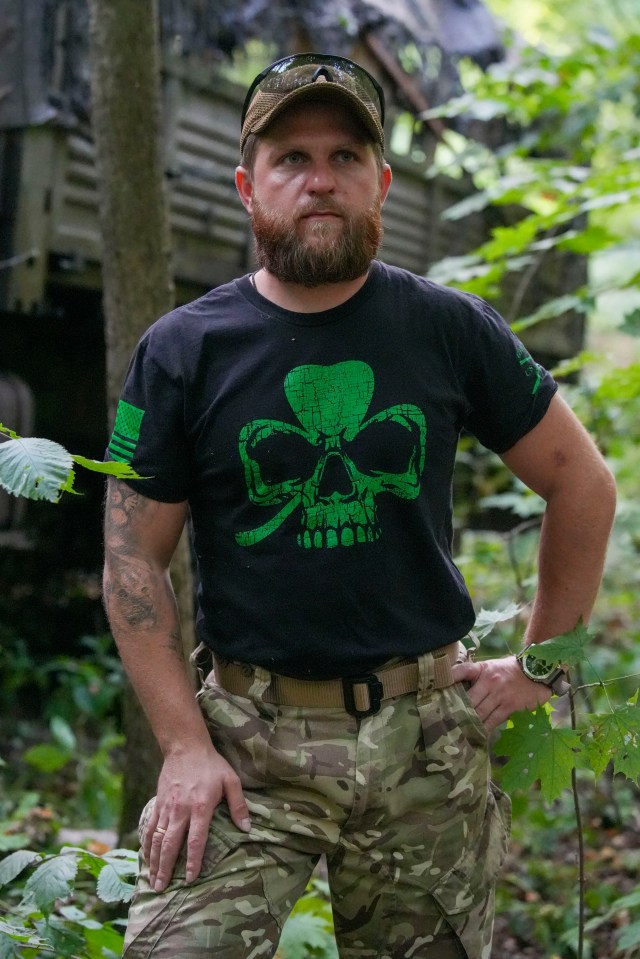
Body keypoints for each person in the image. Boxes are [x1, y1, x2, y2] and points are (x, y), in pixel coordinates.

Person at [103, 53, 616, 959]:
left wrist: (544, 663)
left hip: (424, 743)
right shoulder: (183, 350)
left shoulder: (449, 328)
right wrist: (183, 745)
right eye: (291, 158)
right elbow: (132, 556)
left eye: (345, 156)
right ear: (246, 185)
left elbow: (583, 484)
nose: (320, 180)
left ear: (381, 182)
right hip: (247, 749)